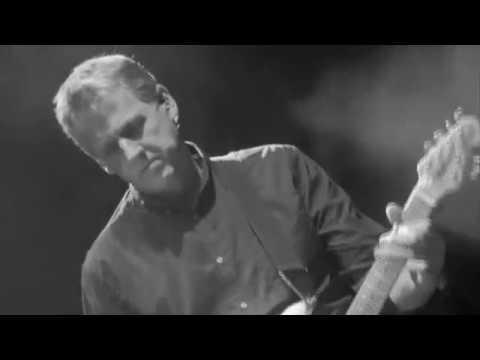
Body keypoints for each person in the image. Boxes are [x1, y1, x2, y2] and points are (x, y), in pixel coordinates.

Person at [53, 54, 447, 315]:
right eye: (111, 149)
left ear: (167, 105)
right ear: (102, 165)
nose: (132, 152)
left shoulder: (281, 168)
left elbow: (381, 290)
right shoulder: (107, 269)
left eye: (134, 127)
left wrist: (419, 276)